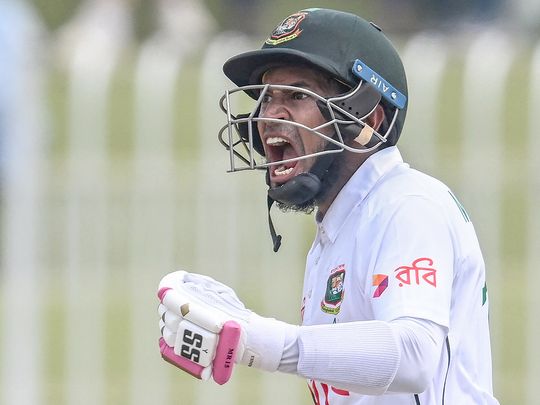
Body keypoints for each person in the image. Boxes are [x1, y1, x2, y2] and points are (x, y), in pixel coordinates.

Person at [157, 8, 499, 404]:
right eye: (266, 98)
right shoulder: (336, 233)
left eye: (297, 95)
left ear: (367, 116)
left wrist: (270, 341)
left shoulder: (408, 204)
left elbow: (415, 356)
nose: (268, 116)